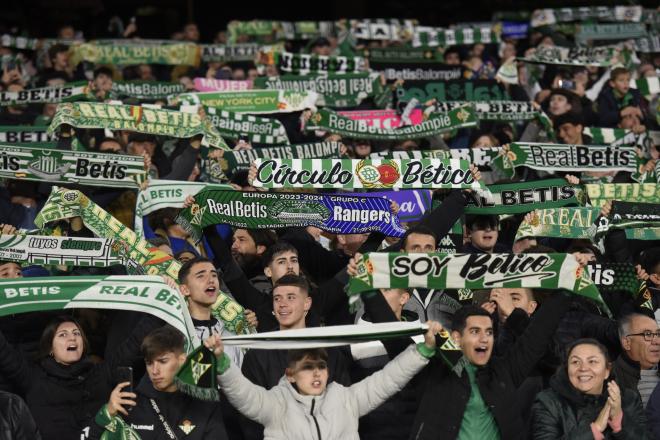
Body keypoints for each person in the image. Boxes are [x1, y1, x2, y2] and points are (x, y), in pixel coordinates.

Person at [204, 321, 443, 440]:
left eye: (321, 366)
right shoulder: (275, 405)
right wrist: (222, 363)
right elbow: (242, 393)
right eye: (307, 368)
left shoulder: (345, 398)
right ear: (290, 374)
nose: (316, 373)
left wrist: (422, 352)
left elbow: (387, 380)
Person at [409, 293, 570, 439]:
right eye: (475, 331)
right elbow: (395, 348)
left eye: (489, 332)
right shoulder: (435, 372)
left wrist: (566, 285)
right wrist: (425, 349)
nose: (484, 338)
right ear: (456, 338)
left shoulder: (503, 371)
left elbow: (538, 333)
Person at [0, 314, 160, 440]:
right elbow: (4, 352)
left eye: (76, 333)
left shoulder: (101, 373)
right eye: (63, 335)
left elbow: (133, 345)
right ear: (50, 348)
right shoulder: (33, 378)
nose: (72, 338)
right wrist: (105, 414)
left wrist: (162, 300)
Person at [84, 326, 228, 439]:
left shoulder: (204, 404)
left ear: (182, 361)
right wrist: (105, 414)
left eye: (162, 361)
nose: (155, 371)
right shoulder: (129, 404)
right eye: (149, 363)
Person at [532, 339, 648, 439]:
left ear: (607, 370)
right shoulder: (548, 402)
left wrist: (619, 420)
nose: (583, 368)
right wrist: (595, 429)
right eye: (575, 362)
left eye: (592, 361)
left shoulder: (629, 399)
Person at [613, 313, 660, 406]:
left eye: (658, 334)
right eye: (648, 334)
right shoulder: (609, 378)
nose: (657, 341)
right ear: (627, 343)